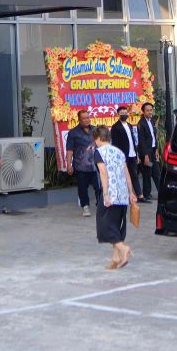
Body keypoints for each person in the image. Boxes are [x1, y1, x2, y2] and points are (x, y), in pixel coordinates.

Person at [92, 125, 136, 270]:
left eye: (95, 139)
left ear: (99, 138)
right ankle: (116, 258)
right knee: (116, 226)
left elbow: (103, 173)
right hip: (122, 195)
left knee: (105, 225)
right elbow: (127, 173)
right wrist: (131, 192)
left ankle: (123, 249)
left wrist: (105, 194)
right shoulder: (119, 152)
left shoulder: (99, 152)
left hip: (111, 195)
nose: (95, 142)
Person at [64, 110, 100, 216]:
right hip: (80, 166)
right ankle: (85, 207)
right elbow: (70, 150)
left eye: (88, 117)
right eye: (84, 118)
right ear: (79, 120)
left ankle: (100, 205)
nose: (87, 120)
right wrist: (69, 164)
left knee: (99, 187)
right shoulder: (73, 133)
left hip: (95, 165)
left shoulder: (95, 130)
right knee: (82, 188)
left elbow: (101, 146)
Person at [110, 106, 139, 197]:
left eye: (125, 113)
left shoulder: (130, 125)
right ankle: (125, 195)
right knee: (123, 176)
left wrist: (136, 154)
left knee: (134, 175)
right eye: (122, 113)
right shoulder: (115, 127)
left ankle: (139, 195)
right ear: (118, 114)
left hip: (132, 154)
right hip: (123, 156)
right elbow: (115, 144)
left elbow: (133, 140)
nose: (124, 115)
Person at [136, 102, 158, 203]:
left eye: (151, 110)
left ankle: (161, 192)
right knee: (147, 173)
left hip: (153, 151)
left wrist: (156, 149)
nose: (150, 112)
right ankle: (146, 193)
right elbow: (141, 141)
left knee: (156, 172)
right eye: (147, 110)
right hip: (146, 153)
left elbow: (154, 136)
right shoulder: (141, 124)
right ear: (143, 112)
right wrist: (145, 156)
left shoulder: (152, 121)